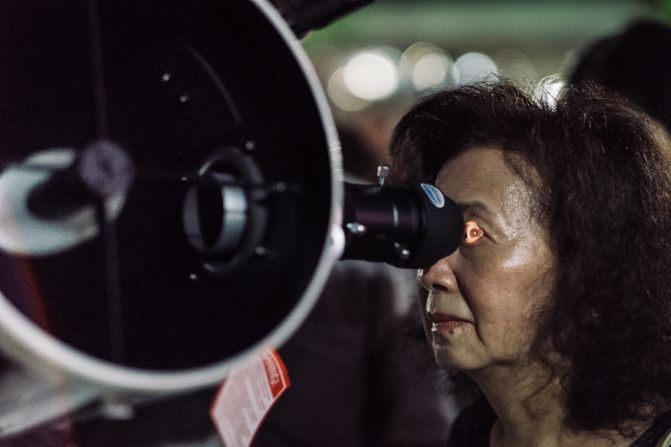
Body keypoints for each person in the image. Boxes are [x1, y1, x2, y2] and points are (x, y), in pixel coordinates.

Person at [388, 80, 671, 446]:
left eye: (473, 234)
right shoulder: (469, 434)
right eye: (436, 238)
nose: (431, 274)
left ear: (587, 266)